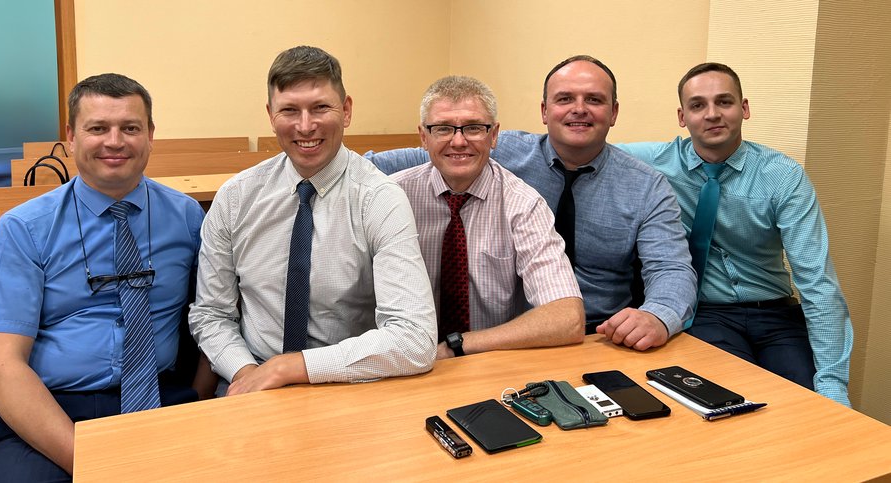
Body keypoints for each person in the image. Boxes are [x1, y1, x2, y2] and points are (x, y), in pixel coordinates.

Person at [0, 73, 211, 481]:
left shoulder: (187, 218)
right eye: (98, 128)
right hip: (54, 409)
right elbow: (0, 366)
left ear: (150, 136)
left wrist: (198, 399)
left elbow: (211, 320)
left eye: (130, 128)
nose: (115, 141)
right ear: (72, 137)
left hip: (164, 400)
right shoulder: (24, 229)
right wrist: (92, 464)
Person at [368, 56, 696, 351]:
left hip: (604, 335)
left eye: (593, 100)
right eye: (565, 98)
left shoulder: (646, 186)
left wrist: (657, 317)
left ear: (613, 112)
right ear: (544, 111)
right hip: (513, 334)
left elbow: (672, 269)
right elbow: (423, 159)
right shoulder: (500, 149)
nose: (579, 109)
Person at [188, 46, 436, 396]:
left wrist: (290, 368)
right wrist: (248, 374)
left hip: (346, 381)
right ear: (271, 115)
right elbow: (211, 314)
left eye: (321, 107)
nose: (305, 126)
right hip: (248, 379)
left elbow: (415, 339)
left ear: (346, 110)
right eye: (289, 110)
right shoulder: (235, 198)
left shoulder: (380, 198)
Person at [617, 62, 853, 406]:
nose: (712, 114)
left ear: (744, 109)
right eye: (698, 105)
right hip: (707, 313)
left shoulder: (783, 177)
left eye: (724, 102)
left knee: (807, 403)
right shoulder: (654, 162)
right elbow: (584, 145)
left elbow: (817, 282)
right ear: (683, 117)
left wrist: (833, 386)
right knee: (735, 401)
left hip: (775, 313)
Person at [389, 75, 585, 359]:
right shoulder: (393, 197)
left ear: (493, 135)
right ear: (423, 137)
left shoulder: (523, 205)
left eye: (473, 128)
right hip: (400, 360)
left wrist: (457, 346)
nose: (458, 141)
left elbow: (568, 318)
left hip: (488, 359)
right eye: (443, 129)